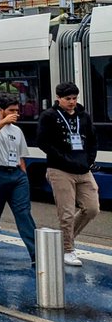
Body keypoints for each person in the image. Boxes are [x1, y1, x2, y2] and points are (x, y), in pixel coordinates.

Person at [36, 82, 100, 267]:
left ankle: (64, 239)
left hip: (83, 168)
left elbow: (93, 139)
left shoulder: (84, 116)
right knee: (66, 212)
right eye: (68, 99)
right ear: (58, 98)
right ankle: (67, 249)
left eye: (74, 98)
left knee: (92, 208)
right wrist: (63, 158)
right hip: (59, 169)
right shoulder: (48, 116)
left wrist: (89, 160)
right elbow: (42, 142)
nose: (72, 102)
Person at [0, 92, 36, 265]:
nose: (15, 114)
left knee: (24, 213)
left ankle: (36, 254)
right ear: (0, 110)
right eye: (11, 110)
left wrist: (23, 175)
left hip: (16, 175)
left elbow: (21, 156)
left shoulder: (17, 130)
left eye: (17, 111)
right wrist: (3, 122)